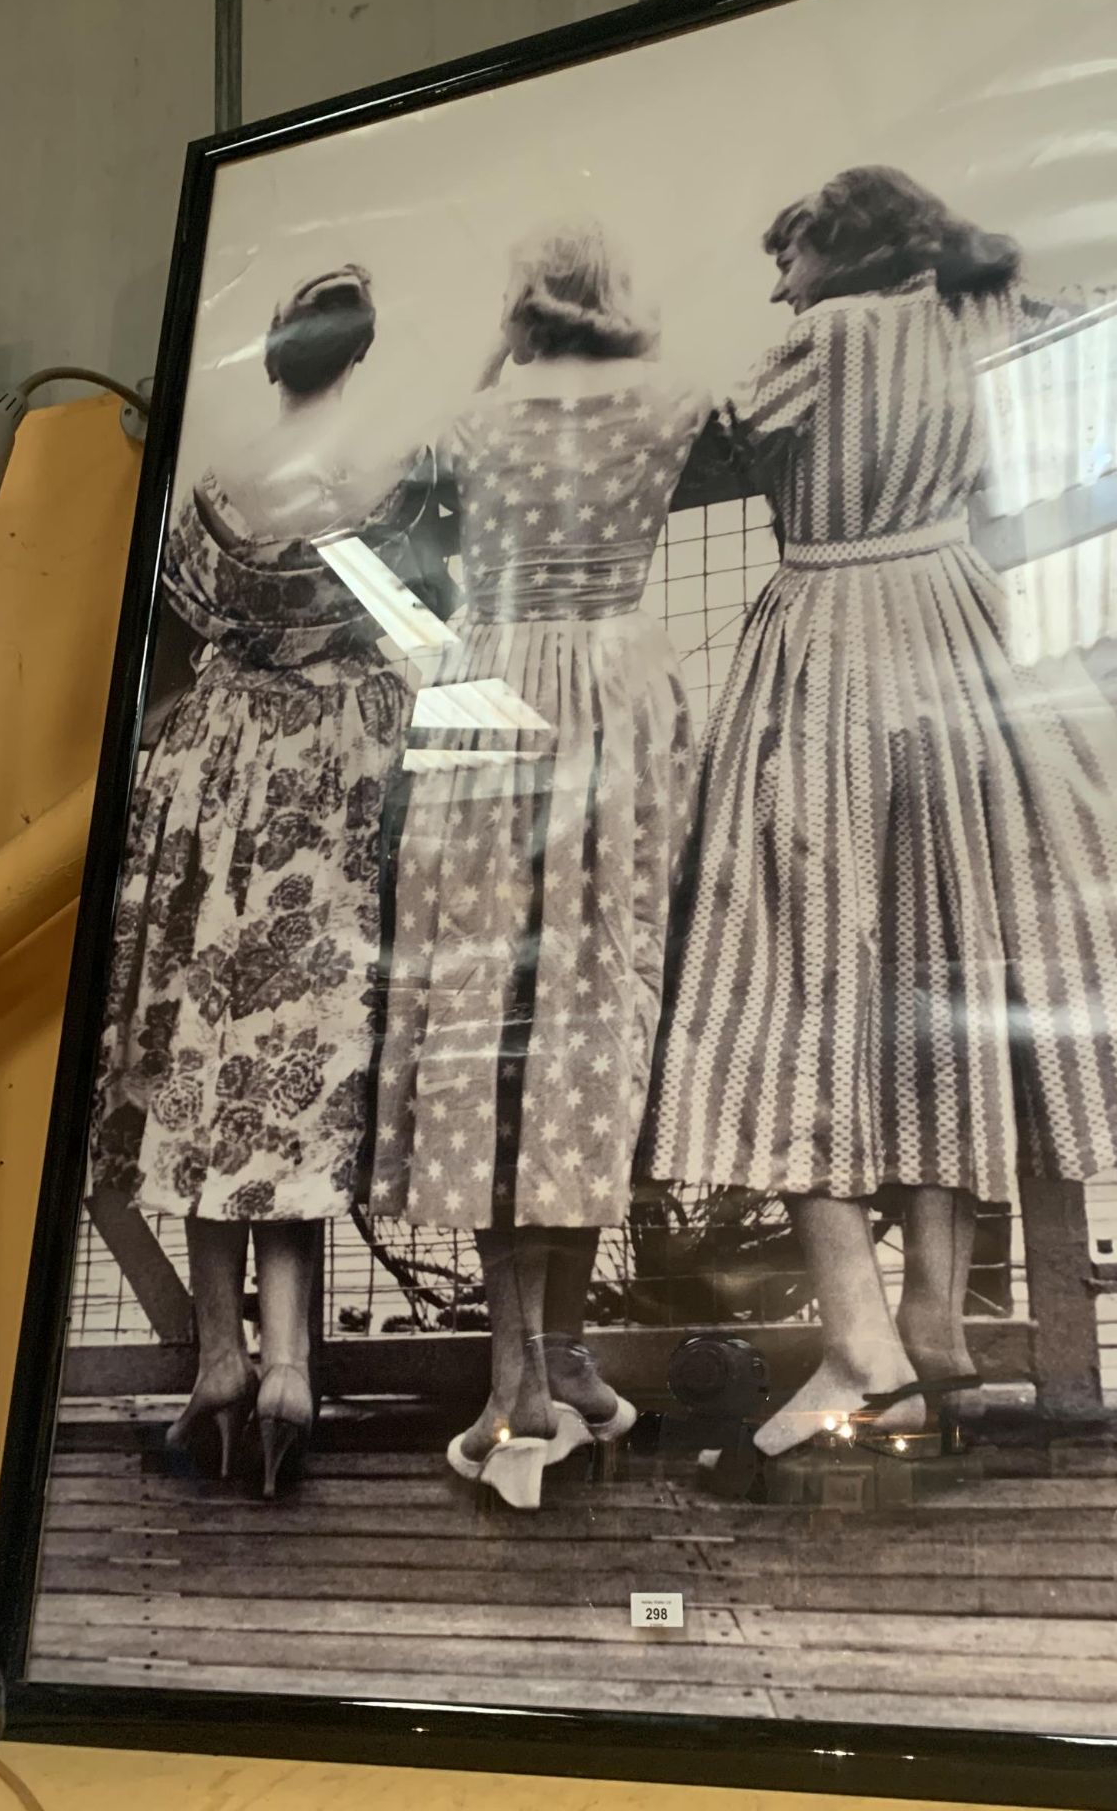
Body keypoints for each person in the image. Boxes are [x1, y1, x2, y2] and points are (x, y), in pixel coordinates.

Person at [644, 166, 1117, 1457]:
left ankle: (860, 1343)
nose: (778, 280)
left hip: (832, 643)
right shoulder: (976, 322)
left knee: (792, 987)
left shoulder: (821, 341)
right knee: (942, 982)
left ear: (844, 249)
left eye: (792, 251)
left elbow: (678, 440)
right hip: (966, 637)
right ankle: (934, 1324)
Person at [90, 266, 451, 1496]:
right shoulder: (393, 473)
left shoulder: (215, 483)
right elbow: (421, 622)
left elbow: (182, 623)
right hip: (328, 788)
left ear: (276, 358)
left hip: (213, 782)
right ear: (358, 354)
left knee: (202, 1073)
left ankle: (219, 1369)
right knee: (294, 1080)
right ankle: (294, 1369)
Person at [369, 219, 709, 1509]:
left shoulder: (481, 427)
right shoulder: (671, 402)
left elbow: (410, 464)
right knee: (579, 1032)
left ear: (523, 301)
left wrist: (485, 349)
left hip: (490, 698)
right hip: (616, 700)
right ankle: (540, 1364)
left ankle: (528, 1372)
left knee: (485, 1033)